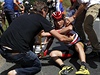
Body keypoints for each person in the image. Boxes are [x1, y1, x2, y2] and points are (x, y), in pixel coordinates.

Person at [0, 1, 74, 75]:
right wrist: (70, 39)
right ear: (43, 10)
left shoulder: (23, 16)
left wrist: (42, 42)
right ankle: (15, 73)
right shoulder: (41, 19)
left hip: (2, 50)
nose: (46, 15)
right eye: (46, 13)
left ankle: (24, 65)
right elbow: (61, 38)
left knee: (29, 49)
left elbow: (39, 34)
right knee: (37, 66)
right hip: (17, 52)